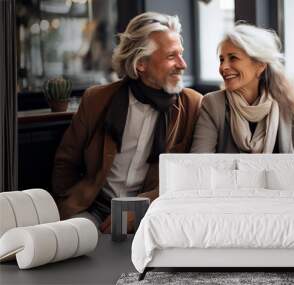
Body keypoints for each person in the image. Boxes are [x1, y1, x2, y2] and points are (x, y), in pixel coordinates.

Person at [52, 12, 202, 233]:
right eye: (172, 56)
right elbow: (65, 162)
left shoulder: (193, 105)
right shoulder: (97, 99)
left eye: (181, 54)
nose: (183, 64)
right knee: (76, 247)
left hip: (150, 213)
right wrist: (71, 205)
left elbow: (192, 178)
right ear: (141, 63)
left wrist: (141, 210)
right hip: (92, 209)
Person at [191, 23, 294, 163]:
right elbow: (200, 162)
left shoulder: (289, 103)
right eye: (222, 60)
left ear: (260, 65)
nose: (223, 67)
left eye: (233, 58)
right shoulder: (213, 104)